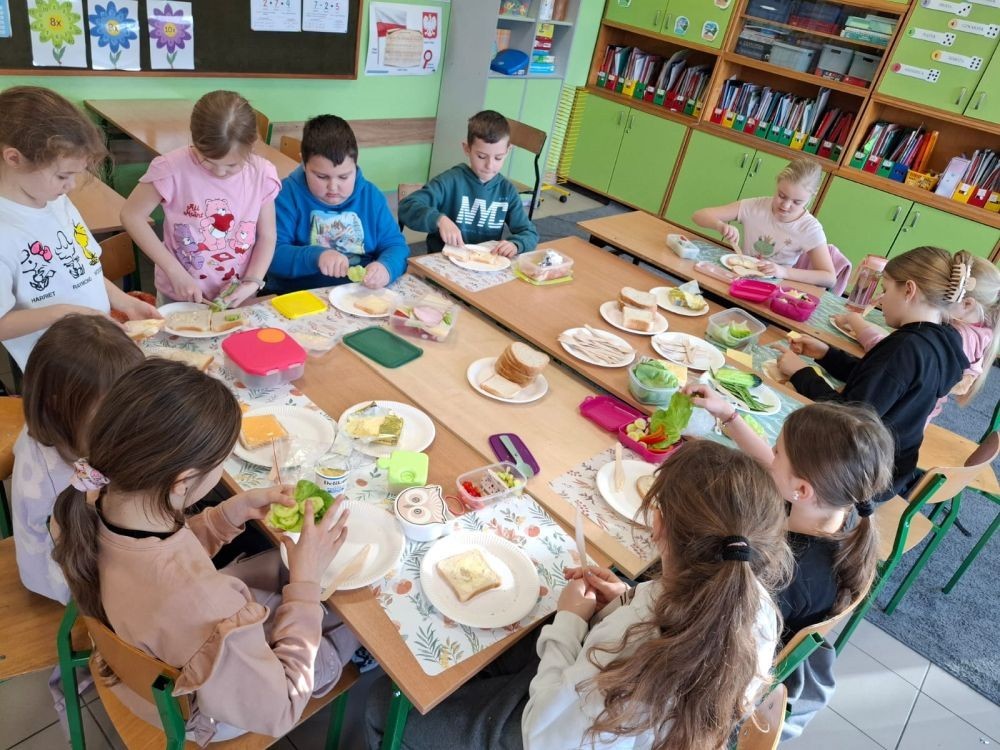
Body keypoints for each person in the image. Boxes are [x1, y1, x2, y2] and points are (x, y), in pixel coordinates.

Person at [364, 441, 793, 750]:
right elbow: (662, 616)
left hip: (554, 734)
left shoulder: (630, 646)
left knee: (384, 704)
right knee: (502, 653)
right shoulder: (751, 601)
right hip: (632, 726)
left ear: (657, 525)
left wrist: (570, 621)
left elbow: (541, 734)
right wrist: (627, 597)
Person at [51, 359, 359, 744]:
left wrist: (228, 514)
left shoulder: (86, 501)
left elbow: (162, 559)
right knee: (355, 620)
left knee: (277, 569)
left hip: (158, 639)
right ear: (181, 482)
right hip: (212, 709)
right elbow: (281, 707)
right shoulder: (198, 602)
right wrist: (308, 583)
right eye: (220, 463)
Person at [682, 396, 893, 738]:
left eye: (779, 451)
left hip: (725, 673)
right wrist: (731, 417)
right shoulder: (838, 512)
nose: (772, 455)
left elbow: (713, 637)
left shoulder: (780, 573)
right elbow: (770, 465)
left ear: (802, 489)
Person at [778, 245, 970, 499]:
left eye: (885, 289)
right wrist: (827, 354)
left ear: (909, 290)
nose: (880, 299)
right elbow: (879, 379)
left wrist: (801, 374)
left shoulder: (905, 348)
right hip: (891, 465)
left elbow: (847, 420)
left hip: (863, 474)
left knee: (778, 445)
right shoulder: (942, 338)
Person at [0, 86, 159, 371]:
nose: (71, 185)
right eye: (63, 175)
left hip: (94, 350)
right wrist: (64, 313)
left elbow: (85, 270)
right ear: (14, 158)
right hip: (59, 371)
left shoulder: (55, 200)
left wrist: (124, 301)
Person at [12, 315, 143, 603]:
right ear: (59, 403)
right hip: (66, 585)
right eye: (111, 412)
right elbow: (77, 564)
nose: (124, 421)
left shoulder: (59, 427)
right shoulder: (54, 483)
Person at [121, 90, 279, 307]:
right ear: (194, 140)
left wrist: (252, 281)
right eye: (207, 161)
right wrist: (174, 271)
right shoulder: (171, 168)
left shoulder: (261, 174)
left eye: (232, 166)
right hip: (179, 294)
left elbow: (267, 236)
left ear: (252, 145)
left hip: (237, 293)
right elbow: (131, 215)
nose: (220, 172)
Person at [835, 251, 999, 422]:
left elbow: (899, 360)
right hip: (906, 413)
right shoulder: (970, 332)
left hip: (895, 418)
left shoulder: (957, 338)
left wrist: (856, 322)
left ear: (966, 304)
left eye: (950, 292)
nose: (942, 295)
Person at [268, 115, 409, 294]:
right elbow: (271, 255)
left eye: (343, 177)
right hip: (300, 294)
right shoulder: (286, 195)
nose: (333, 187)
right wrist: (316, 257)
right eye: (321, 176)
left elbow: (396, 246)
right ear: (303, 163)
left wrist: (386, 268)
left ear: (356, 165)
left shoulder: (371, 197)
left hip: (359, 293)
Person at [398, 109, 539, 257]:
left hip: (484, 266)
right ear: (467, 148)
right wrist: (439, 219)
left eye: (498, 158)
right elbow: (407, 207)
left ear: (508, 151)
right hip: (444, 262)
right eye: (481, 156)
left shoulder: (507, 191)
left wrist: (516, 244)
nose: (489, 165)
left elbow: (529, 232)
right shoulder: (450, 181)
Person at [692, 158, 836, 288]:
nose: (785, 205)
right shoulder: (755, 206)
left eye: (797, 202)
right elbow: (698, 216)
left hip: (771, 289)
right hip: (736, 280)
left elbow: (829, 278)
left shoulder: (809, 228)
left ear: (813, 195)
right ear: (777, 183)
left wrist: (783, 271)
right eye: (781, 195)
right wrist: (720, 225)